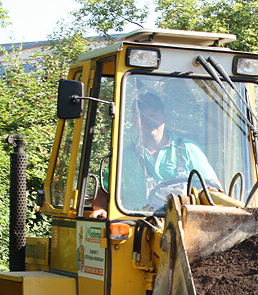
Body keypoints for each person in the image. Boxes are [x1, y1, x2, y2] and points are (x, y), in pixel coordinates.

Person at [91, 92, 220, 217]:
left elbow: (214, 189)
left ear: (164, 117)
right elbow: (103, 194)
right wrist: (99, 210)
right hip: (135, 230)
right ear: (134, 121)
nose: (149, 121)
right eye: (143, 117)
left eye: (154, 115)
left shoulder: (188, 150)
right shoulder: (123, 157)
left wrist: (187, 198)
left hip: (183, 227)